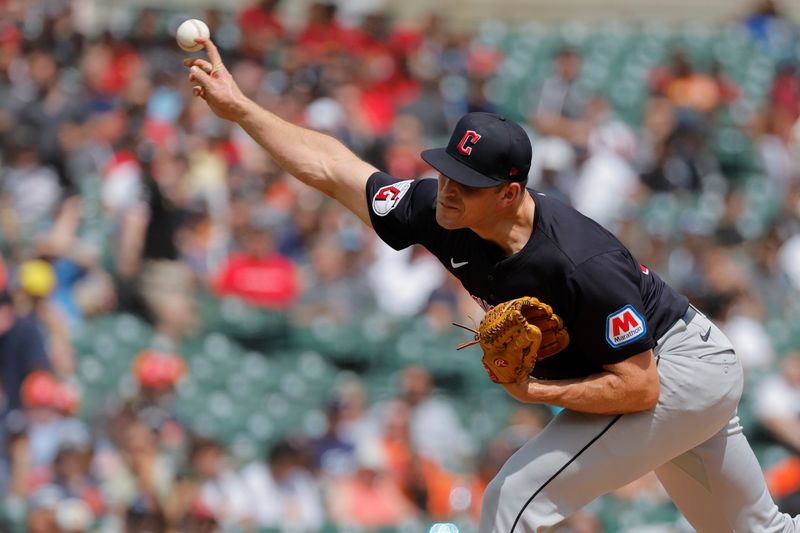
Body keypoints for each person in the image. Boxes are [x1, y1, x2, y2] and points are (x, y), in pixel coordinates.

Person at [185, 38, 799, 531]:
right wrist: (242, 110)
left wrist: (532, 390)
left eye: (465, 183)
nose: (447, 190)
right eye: (446, 171)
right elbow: (333, 168)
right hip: (668, 374)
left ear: (509, 193)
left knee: (513, 504)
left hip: (675, 369)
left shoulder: (576, 260)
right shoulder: (438, 209)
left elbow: (639, 388)